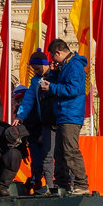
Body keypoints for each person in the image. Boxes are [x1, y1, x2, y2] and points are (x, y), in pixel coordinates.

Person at [40, 38, 90, 195]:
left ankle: (82, 184)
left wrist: (52, 88)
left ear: (58, 52)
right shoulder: (66, 66)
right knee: (60, 152)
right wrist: (54, 74)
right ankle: (62, 183)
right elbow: (65, 84)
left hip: (71, 115)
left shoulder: (74, 65)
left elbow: (74, 89)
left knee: (70, 150)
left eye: (53, 57)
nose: (53, 60)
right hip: (63, 114)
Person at [14, 51, 57, 193]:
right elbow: (28, 100)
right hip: (46, 122)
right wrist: (20, 115)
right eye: (34, 69)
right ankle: (49, 186)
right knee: (47, 156)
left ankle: (65, 182)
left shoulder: (55, 75)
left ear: (46, 65)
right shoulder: (35, 80)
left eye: (38, 68)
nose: (36, 71)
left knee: (61, 154)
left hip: (59, 120)